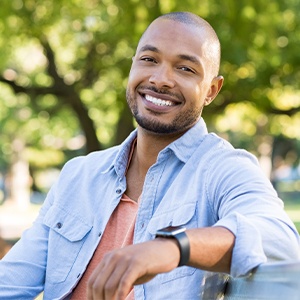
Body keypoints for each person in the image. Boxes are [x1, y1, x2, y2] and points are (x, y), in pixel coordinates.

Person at [0, 11, 299, 300]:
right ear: (132, 67)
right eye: (149, 59)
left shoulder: (223, 169)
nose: (160, 79)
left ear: (211, 90)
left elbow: (279, 241)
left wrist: (172, 248)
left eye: (185, 68)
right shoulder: (79, 174)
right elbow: (11, 282)